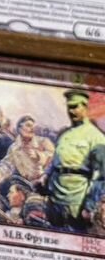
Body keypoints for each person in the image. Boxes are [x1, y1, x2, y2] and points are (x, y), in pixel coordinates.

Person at [46, 89, 105, 230]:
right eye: (69, 107)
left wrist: (89, 205)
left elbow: (101, 176)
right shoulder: (64, 136)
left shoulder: (96, 137)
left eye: (75, 107)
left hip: (77, 201)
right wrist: (45, 176)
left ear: (85, 107)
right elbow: (55, 163)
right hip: (55, 199)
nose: (71, 111)